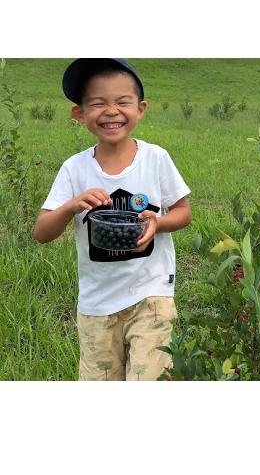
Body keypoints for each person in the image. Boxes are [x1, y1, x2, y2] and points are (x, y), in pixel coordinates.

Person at [32, 58, 192, 381]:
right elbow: (41, 232)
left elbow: (184, 212)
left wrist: (159, 223)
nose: (111, 111)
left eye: (122, 102)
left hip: (151, 295)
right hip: (97, 305)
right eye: (98, 103)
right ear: (79, 114)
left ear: (140, 108)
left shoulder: (156, 159)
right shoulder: (74, 170)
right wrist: (71, 206)